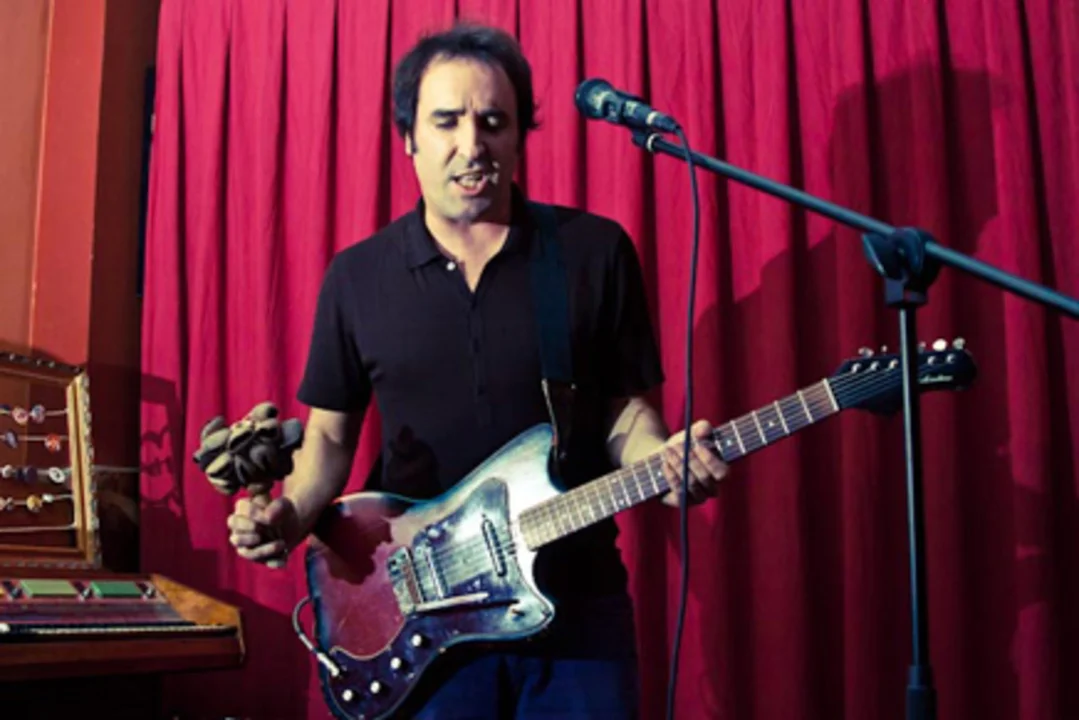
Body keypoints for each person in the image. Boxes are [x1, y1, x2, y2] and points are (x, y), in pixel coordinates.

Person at [224, 21, 729, 719]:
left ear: (519, 137)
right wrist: (290, 514)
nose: (472, 144)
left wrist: (662, 462)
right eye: (446, 121)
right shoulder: (357, 278)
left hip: (576, 612)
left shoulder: (592, 251)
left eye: (493, 122)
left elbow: (625, 412)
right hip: (422, 624)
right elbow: (330, 440)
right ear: (409, 137)